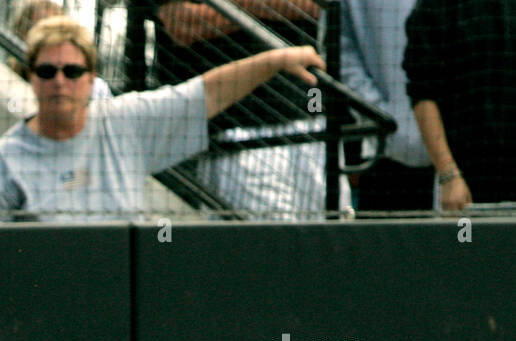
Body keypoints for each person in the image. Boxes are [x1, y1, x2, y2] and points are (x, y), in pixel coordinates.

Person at [0, 16, 326, 221]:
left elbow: (207, 92)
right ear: (31, 76)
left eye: (73, 70)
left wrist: (276, 61)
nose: (60, 82)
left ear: (92, 76)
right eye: (47, 71)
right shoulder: (5, 160)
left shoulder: (125, 121)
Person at [150, 0, 347, 220]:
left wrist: (231, 7)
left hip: (313, 128)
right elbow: (183, 24)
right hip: (235, 137)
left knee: (335, 243)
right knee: (264, 246)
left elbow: (317, 7)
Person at [404, 0, 516, 212]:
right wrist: (448, 175)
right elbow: (423, 94)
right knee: (465, 241)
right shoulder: (436, 7)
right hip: (467, 184)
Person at [338, 0, 433, 213]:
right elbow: (340, 53)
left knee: (466, 239)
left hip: (467, 151)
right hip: (387, 151)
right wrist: (378, 115)